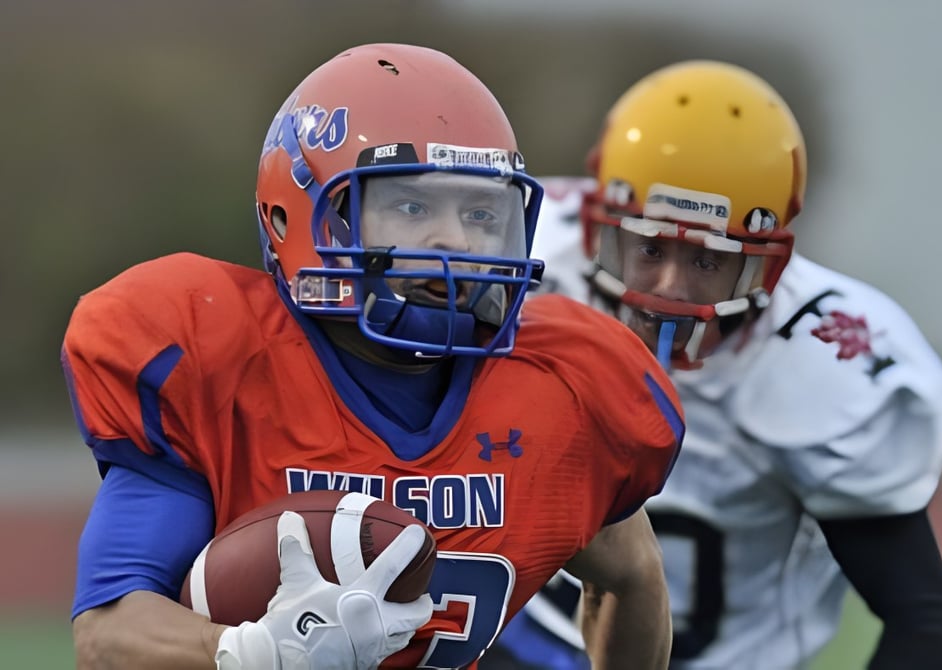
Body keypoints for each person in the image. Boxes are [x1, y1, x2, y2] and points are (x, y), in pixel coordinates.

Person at [62, 43, 685, 670]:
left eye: (479, 211)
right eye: (412, 206)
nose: (456, 240)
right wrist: (252, 653)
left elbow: (632, 576)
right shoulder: (216, 360)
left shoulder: (564, 388)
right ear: (299, 216)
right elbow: (108, 632)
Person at [482, 60, 942, 669]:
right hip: (520, 645)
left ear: (766, 263)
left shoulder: (828, 364)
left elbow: (922, 617)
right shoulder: (526, 257)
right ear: (599, 229)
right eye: (650, 247)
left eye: (709, 260)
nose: (670, 288)